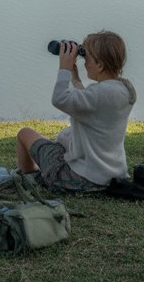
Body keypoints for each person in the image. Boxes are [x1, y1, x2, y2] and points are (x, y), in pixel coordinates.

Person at [16, 31, 135, 191]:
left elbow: (60, 99)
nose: (84, 63)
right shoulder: (122, 90)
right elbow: (88, 101)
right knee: (63, 138)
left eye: (86, 58)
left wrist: (64, 69)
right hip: (111, 176)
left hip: (79, 178)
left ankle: (28, 175)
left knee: (25, 133)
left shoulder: (98, 94)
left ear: (99, 65)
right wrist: (75, 76)